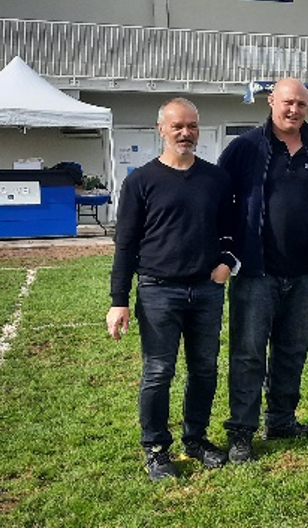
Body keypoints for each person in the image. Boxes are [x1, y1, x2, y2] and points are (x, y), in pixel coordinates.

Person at [106, 98, 236, 481]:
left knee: (204, 370)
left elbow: (231, 229)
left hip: (207, 291)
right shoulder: (140, 181)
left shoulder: (216, 179)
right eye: (177, 126)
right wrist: (119, 301)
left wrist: (226, 262)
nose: (185, 133)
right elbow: (126, 244)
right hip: (158, 291)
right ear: (161, 129)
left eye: (192, 126)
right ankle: (156, 449)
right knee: (158, 372)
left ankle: (195, 439)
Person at [217, 78, 308, 463]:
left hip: (303, 273)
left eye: (301, 104)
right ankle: (241, 432)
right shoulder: (244, 149)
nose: (294, 110)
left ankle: (281, 419)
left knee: (292, 350)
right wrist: (227, 254)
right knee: (248, 354)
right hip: (256, 273)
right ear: (271, 101)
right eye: (288, 102)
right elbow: (220, 204)